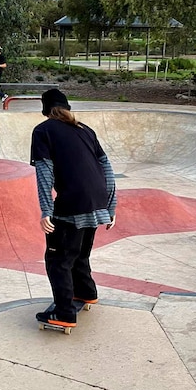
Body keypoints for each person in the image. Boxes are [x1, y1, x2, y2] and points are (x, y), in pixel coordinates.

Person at [30, 89, 117, 330]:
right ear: (67, 108)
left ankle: (64, 312)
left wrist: (46, 209)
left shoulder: (43, 131)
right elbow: (106, 168)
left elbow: (44, 172)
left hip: (72, 201)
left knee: (58, 259)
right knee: (79, 253)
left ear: (46, 111)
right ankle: (86, 292)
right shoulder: (86, 130)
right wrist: (110, 205)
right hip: (96, 201)